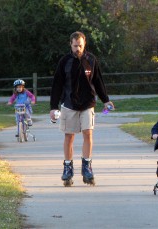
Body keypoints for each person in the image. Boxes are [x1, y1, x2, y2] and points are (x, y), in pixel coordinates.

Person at [49, 31, 114, 186]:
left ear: (84, 44)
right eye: (75, 45)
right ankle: (67, 168)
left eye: (80, 45)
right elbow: (57, 85)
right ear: (70, 45)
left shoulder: (91, 60)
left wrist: (106, 100)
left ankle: (87, 167)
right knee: (69, 137)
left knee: (88, 133)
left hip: (87, 104)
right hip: (69, 104)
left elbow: (98, 81)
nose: (77, 48)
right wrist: (53, 107)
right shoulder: (64, 61)